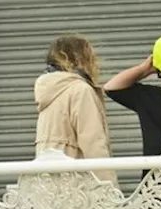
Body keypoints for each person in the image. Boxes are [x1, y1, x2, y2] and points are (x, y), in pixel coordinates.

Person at [34, 34, 116, 184]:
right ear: (81, 58)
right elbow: (94, 146)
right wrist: (109, 189)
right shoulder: (79, 90)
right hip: (77, 191)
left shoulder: (49, 90)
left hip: (48, 188)